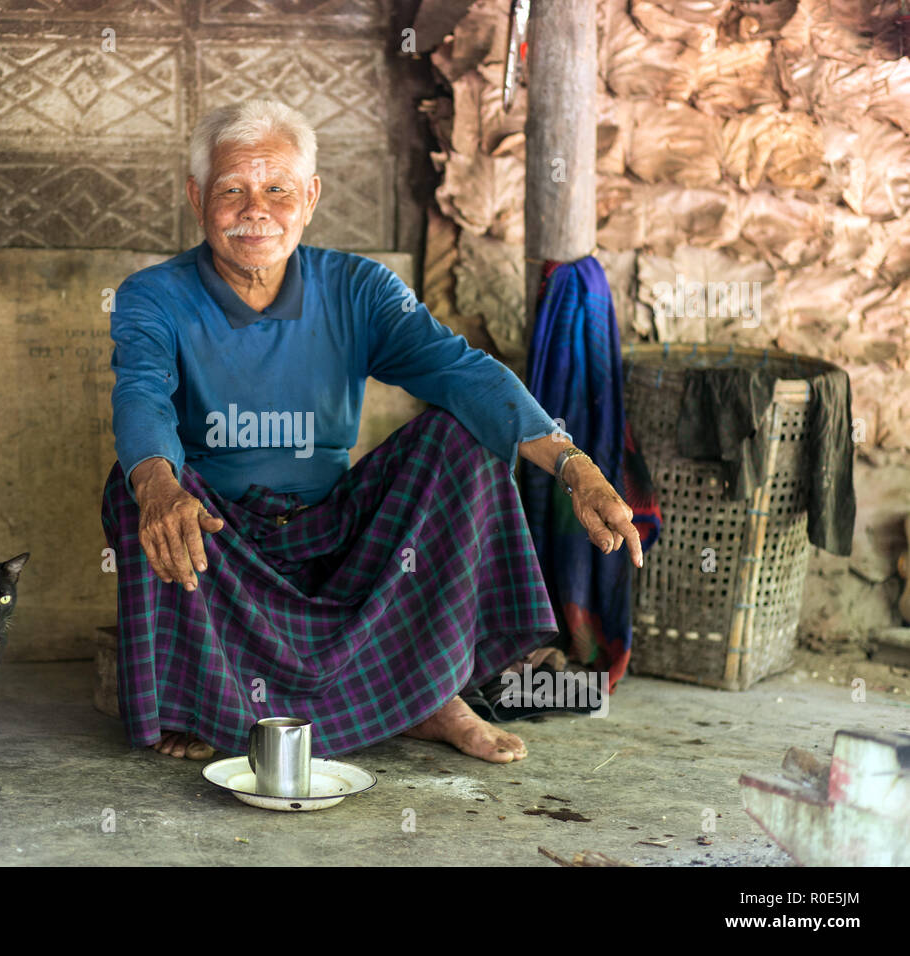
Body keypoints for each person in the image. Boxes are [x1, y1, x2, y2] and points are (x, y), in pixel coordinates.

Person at [101, 99, 641, 765]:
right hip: (222, 539)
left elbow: (459, 371)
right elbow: (142, 394)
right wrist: (157, 484)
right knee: (139, 490)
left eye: (277, 189)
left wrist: (573, 467)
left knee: (460, 442)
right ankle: (198, 699)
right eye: (232, 190)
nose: (256, 210)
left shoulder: (358, 287)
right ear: (196, 197)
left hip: (333, 530)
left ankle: (433, 693)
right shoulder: (152, 295)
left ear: (311, 197)